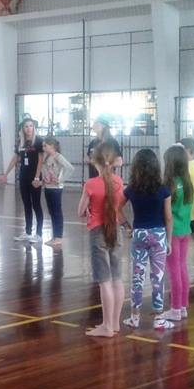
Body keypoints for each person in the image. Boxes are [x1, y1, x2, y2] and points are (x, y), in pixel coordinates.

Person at [78, 142, 126, 337]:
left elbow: (80, 211)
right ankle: (114, 323)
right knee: (117, 278)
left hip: (98, 232)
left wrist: (89, 210)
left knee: (104, 281)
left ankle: (106, 326)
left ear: (95, 161)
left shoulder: (90, 184)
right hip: (115, 230)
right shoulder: (119, 181)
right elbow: (118, 205)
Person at [122, 148, 173, 331]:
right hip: (158, 235)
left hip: (139, 234)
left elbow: (116, 208)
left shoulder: (131, 189)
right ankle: (159, 318)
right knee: (157, 277)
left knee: (137, 276)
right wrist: (169, 241)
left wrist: (127, 226)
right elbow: (168, 217)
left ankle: (134, 317)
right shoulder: (163, 189)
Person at [162, 144, 194, 322]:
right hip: (185, 230)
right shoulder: (187, 183)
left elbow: (166, 213)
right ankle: (182, 306)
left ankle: (175, 308)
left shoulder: (170, 185)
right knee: (181, 267)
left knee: (174, 270)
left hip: (172, 232)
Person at [4, 115, 44, 243]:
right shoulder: (20, 142)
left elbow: (41, 161)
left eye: (31, 126)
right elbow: (15, 158)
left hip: (35, 177)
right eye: (26, 126)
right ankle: (28, 232)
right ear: (23, 128)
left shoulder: (38, 141)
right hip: (23, 176)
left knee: (36, 204)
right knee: (26, 204)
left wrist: (37, 177)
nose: (29, 128)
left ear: (34, 127)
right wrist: (6, 173)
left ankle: (39, 234)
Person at [40, 137, 74, 248]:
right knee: (52, 212)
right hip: (48, 187)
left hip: (56, 188)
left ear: (52, 146)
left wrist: (61, 179)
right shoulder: (47, 157)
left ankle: (58, 237)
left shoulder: (58, 157)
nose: (43, 148)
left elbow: (70, 168)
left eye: (45, 146)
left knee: (57, 212)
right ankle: (55, 236)